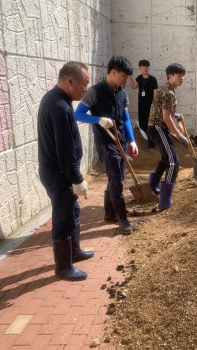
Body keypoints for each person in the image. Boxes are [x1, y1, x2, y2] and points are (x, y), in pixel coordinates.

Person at [38, 61, 94, 281]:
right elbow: (64, 150)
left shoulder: (56, 99)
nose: (86, 89)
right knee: (63, 218)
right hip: (57, 173)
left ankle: (74, 251)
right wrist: (77, 179)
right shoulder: (60, 107)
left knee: (73, 211)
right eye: (85, 84)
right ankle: (63, 266)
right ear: (71, 81)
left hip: (58, 172)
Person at [75, 56, 138, 234]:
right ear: (113, 72)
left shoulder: (122, 93)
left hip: (121, 141)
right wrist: (98, 119)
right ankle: (122, 219)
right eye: (123, 76)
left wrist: (132, 140)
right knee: (117, 181)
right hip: (105, 143)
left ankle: (110, 214)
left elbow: (125, 119)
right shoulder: (94, 92)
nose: (125, 80)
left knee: (117, 178)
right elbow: (77, 114)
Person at [147, 63, 189, 210]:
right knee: (173, 161)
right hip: (158, 128)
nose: (182, 78)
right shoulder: (169, 92)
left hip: (155, 127)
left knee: (166, 158)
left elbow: (162, 110)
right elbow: (166, 119)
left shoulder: (165, 88)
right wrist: (180, 135)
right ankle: (165, 201)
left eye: (183, 75)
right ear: (170, 76)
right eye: (179, 75)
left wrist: (173, 114)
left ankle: (153, 186)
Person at [128, 59, 158, 148]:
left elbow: (155, 94)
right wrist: (130, 78)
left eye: (147, 66)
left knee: (149, 124)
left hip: (150, 106)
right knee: (142, 124)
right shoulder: (139, 78)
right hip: (141, 105)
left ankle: (152, 143)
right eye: (144, 66)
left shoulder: (152, 79)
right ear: (140, 68)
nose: (146, 68)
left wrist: (155, 106)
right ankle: (152, 141)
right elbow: (133, 86)